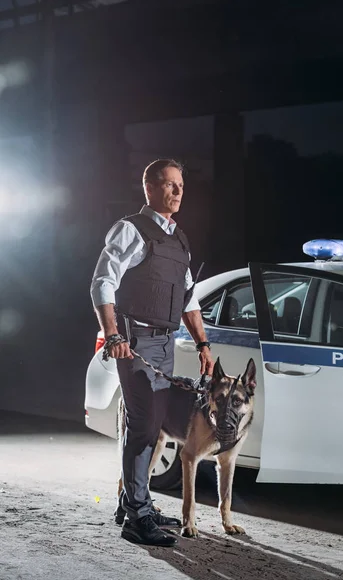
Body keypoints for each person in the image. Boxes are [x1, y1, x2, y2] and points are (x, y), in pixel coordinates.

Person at [90, 159, 214, 547]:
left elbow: (189, 298)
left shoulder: (179, 239)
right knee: (145, 424)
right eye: (170, 184)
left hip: (165, 342)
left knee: (150, 423)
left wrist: (203, 343)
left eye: (181, 185)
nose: (178, 192)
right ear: (150, 187)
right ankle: (137, 517)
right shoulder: (132, 229)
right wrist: (113, 335)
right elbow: (102, 283)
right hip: (134, 343)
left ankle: (130, 502)